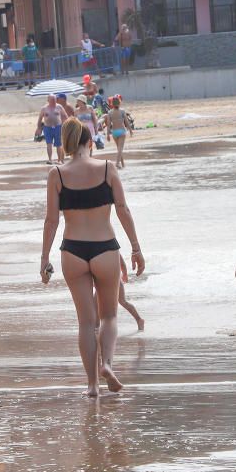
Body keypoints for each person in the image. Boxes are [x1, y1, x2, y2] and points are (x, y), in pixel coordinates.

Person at [40, 118, 145, 397]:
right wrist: (135, 248)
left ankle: (91, 385)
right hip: (104, 248)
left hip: (72, 251)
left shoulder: (57, 174)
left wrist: (44, 258)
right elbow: (123, 209)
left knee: (86, 322)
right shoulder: (108, 168)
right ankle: (107, 365)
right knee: (109, 316)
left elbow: (51, 221)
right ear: (90, 143)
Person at [36, 94, 68, 165]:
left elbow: (65, 116)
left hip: (58, 127)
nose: (53, 101)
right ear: (48, 100)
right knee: (49, 143)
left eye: (54, 100)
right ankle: (50, 159)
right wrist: (38, 128)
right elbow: (40, 119)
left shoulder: (59, 107)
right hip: (47, 128)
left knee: (58, 144)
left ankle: (59, 159)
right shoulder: (44, 108)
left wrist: (67, 124)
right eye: (51, 100)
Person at [104, 96, 132, 169]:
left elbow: (108, 124)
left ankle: (123, 165)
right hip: (122, 131)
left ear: (112, 104)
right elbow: (126, 121)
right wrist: (131, 130)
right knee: (120, 149)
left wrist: (107, 134)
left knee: (119, 149)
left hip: (114, 132)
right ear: (119, 103)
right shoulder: (122, 111)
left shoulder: (109, 112)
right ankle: (117, 163)